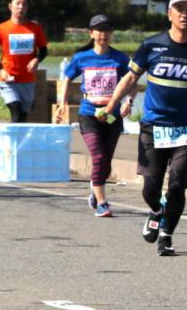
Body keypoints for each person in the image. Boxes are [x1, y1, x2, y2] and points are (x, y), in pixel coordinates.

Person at [104, 0, 187, 257]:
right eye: (178, 9)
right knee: (150, 186)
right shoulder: (151, 45)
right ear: (169, 14)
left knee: (178, 184)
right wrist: (112, 105)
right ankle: (156, 211)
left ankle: (167, 235)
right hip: (153, 126)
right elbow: (129, 78)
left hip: (186, 128)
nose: (184, 14)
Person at [57, 15, 132, 216]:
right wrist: (62, 103)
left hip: (111, 115)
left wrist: (129, 101)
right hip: (89, 114)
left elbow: (132, 80)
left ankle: (95, 189)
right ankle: (102, 203)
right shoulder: (82, 58)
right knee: (98, 156)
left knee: (106, 162)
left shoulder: (120, 58)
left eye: (107, 30)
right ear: (91, 33)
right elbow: (66, 78)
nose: (103, 34)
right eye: (99, 30)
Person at [0, 0, 48, 122]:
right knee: (16, 110)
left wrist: (37, 59)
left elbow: (43, 50)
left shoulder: (34, 28)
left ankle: (17, 141)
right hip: (8, 79)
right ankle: (10, 141)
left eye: (24, 4)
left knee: (22, 117)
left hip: (27, 79)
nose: (21, 7)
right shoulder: (1, 28)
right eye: (18, 3)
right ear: (10, 6)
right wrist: (0, 69)